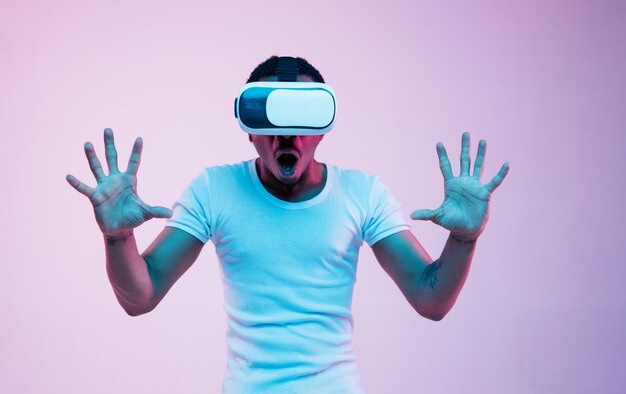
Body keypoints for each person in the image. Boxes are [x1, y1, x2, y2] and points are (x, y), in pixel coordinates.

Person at [66, 56, 509, 394]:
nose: (287, 138)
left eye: (302, 121)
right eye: (271, 121)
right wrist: (117, 236)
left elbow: (430, 299)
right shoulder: (215, 189)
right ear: (248, 129)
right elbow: (140, 296)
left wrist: (464, 239)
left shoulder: (362, 193)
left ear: (322, 129)